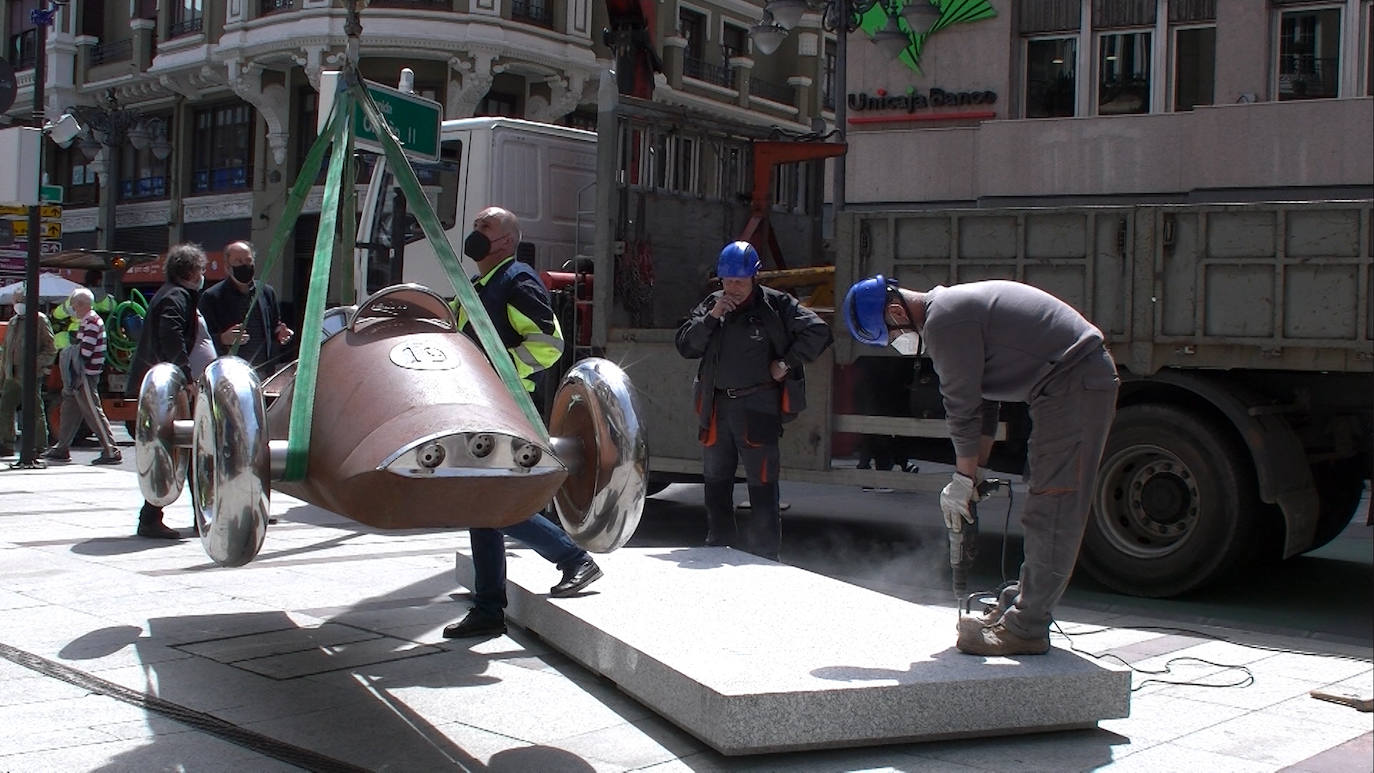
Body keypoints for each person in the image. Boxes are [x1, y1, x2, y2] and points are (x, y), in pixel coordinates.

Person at [841, 275, 1119, 657]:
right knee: (1044, 494)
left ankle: (1027, 627)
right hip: (1067, 383)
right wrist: (974, 475)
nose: (896, 344)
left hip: (1073, 382)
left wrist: (962, 478)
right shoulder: (953, 312)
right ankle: (1020, 603)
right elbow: (984, 404)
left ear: (894, 311)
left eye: (890, 336)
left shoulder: (943, 320)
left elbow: (962, 407)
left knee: (1053, 504)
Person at [443, 206, 602, 640]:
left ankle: (571, 560)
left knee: (487, 503)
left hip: (504, 405)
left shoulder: (517, 281)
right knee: (483, 504)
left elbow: (548, 344)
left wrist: (496, 371)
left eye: (485, 227)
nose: (475, 232)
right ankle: (490, 605)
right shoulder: (477, 286)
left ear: (508, 241)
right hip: (481, 405)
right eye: (474, 225)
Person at [674, 241, 833, 561]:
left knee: (762, 481)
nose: (732, 288)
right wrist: (713, 317)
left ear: (754, 278)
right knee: (716, 478)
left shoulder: (776, 306)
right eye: (727, 281)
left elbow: (818, 331)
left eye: (739, 282)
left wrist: (786, 363)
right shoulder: (712, 305)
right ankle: (718, 542)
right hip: (717, 407)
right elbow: (685, 345)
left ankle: (765, 551)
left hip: (758, 406)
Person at [124, 243, 210, 540]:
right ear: (190, 271)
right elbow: (170, 335)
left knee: (180, 451)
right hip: (164, 390)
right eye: (200, 269)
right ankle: (157, 518)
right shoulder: (177, 297)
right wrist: (185, 376)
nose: (203, 275)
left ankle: (192, 515)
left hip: (161, 386)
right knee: (178, 450)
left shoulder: (174, 294)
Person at [45, 288, 122, 465]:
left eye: (74, 305)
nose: (72, 308)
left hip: (84, 375)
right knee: (68, 411)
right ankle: (62, 448)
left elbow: (85, 352)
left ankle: (111, 450)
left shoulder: (91, 322)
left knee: (93, 412)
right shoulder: (88, 321)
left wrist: (69, 352)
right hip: (80, 374)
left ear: (81, 304)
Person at [198, 240, 293, 373]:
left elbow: (274, 326)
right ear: (227, 266)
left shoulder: (266, 292)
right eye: (238, 261)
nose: (245, 265)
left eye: (248, 261)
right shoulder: (212, 297)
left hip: (264, 370)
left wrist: (280, 334)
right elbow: (201, 339)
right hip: (230, 373)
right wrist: (222, 339)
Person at [0, 298, 57, 457]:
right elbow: (6, 350)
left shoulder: (40, 320)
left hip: (30, 373)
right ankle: (6, 443)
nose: (17, 303)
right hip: (12, 372)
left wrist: (35, 364)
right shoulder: (13, 321)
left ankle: (39, 445)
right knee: (5, 407)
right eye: (16, 300)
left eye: (20, 300)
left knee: (35, 409)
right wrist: (3, 374)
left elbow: (51, 348)